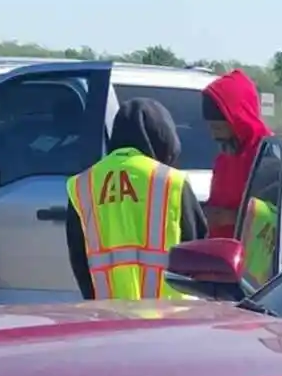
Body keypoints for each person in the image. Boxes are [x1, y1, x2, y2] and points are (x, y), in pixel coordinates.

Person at [66, 98, 208, 300]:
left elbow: (79, 258)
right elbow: (197, 249)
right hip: (169, 317)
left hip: (108, 315)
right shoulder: (172, 181)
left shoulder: (82, 184)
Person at [201, 69, 282, 242]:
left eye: (218, 128)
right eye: (211, 128)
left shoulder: (269, 157)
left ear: (238, 121)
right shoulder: (227, 155)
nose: (213, 136)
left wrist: (232, 218)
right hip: (220, 260)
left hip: (251, 266)